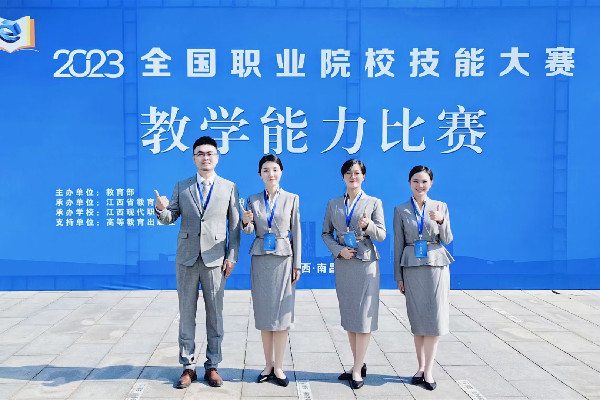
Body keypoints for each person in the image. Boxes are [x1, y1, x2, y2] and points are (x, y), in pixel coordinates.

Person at [154, 136, 241, 389]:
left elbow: (234, 226)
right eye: (200, 154)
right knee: (186, 314)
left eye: (210, 153)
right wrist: (160, 209)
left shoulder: (229, 187)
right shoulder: (182, 186)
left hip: (215, 260)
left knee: (215, 316)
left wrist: (231, 256)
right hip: (187, 259)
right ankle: (188, 366)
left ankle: (212, 365)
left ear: (217, 157)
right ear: (194, 158)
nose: (205, 157)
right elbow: (170, 217)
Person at [321, 159, 386, 390]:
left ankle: (357, 369)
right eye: (348, 173)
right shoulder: (334, 204)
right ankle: (358, 363)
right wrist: (338, 250)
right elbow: (326, 233)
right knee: (350, 316)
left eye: (357, 173)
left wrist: (368, 226)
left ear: (363, 176)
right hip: (345, 262)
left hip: (366, 263)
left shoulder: (374, 202)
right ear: (343, 177)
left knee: (364, 318)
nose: (353, 177)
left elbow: (381, 235)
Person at [241, 154, 301, 387]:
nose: (271, 174)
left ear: (281, 172)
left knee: (282, 315)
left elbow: (296, 232)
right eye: (266, 170)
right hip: (261, 259)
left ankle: (279, 366)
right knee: (265, 314)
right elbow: (248, 231)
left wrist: (297, 264)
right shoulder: (253, 200)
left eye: (274, 169)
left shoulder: (292, 198)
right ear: (260, 174)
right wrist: (246, 222)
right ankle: (268, 364)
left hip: (284, 259)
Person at [393, 165, 454, 391]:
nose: (420, 185)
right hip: (411, 266)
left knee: (434, 319)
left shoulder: (440, 206)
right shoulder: (401, 210)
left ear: (431, 183)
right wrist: (398, 276)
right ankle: (419, 368)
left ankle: (429, 370)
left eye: (424, 181)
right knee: (418, 319)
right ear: (409, 183)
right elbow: (398, 244)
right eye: (416, 181)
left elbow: (447, 239)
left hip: (436, 265)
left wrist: (441, 221)